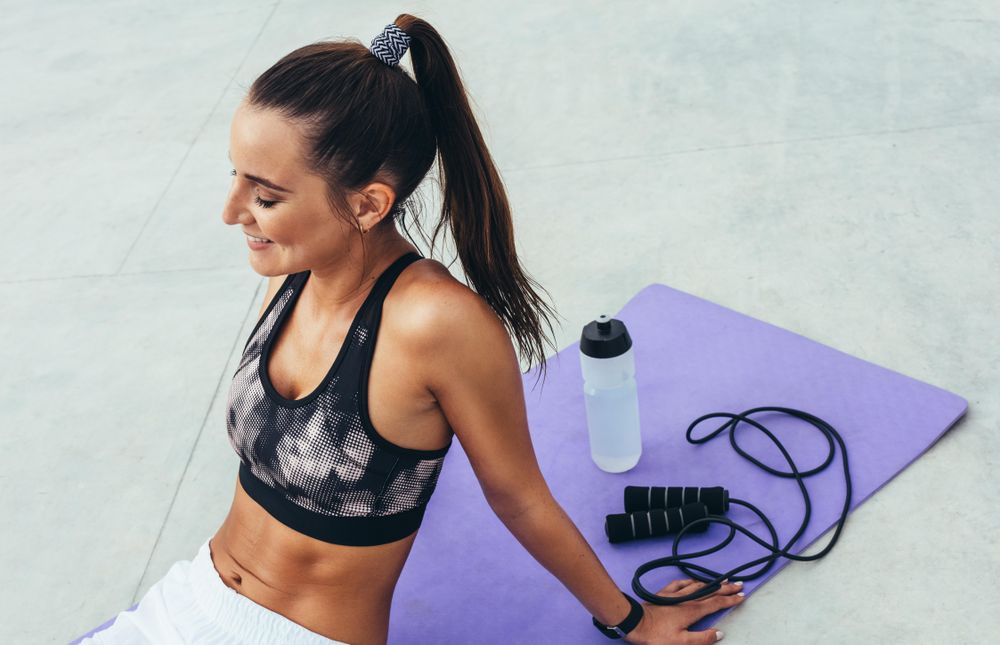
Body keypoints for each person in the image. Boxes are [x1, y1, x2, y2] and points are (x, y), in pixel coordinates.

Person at [81, 13, 744, 645]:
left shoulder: (437, 324)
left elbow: (518, 496)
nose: (231, 212)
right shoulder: (288, 279)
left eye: (265, 195)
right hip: (189, 597)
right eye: (235, 175)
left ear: (368, 204)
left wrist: (632, 620)